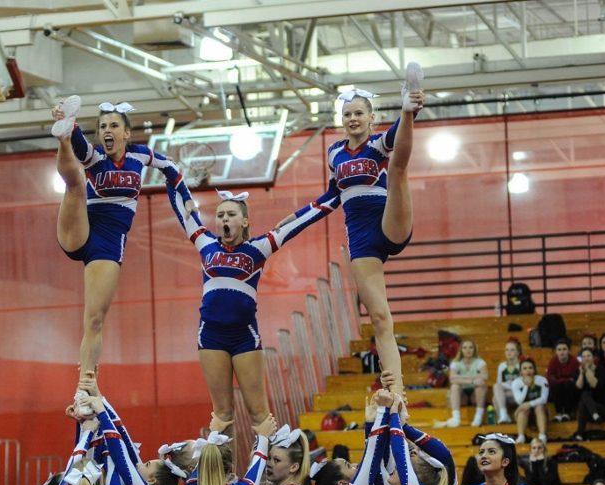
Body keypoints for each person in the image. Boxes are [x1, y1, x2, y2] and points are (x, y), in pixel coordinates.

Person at [274, 64, 425, 402]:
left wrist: (407, 113)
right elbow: (330, 198)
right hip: (361, 239)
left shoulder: (378, 143)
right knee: (380, 316)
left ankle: (408, 104)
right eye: (348, 114)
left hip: (390, 222)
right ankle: (397, 393)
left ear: (372, 118)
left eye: (359, 113)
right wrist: (293, 220)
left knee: (399, 169)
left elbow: (397, 143)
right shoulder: (334, 153)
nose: (353, 118)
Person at [165, 186, 338, 430]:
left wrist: (339, 191)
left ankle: (268, 467)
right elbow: (180, 204)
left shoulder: (259, 247)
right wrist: (168, 170)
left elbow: (305, 219)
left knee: (259, 413)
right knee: (222, 415)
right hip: (211, 336)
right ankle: (225, 469)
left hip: (244, 337)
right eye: (220, 214)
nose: (224, 218)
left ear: (245, 221)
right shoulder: (205, 243)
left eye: (231, 214)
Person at [51, 98, 194, 394]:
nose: (107, 130)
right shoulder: (96, 157)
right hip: (80, 228)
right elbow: (83, 150)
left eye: (114, 126)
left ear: (126, 133)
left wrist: (186, 198)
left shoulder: (141, 156)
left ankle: (86, 381)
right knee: (76, 180)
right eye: (102, 126)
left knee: (94, 318)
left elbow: (171, 169)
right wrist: (73, 133)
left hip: (107, 244)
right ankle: (64, 131)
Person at [442, 339, 489, 428]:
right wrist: (472, 380)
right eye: (465, 348)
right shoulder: (455, 363)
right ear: (461, 350)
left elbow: (484, 377)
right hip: (462, 395)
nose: (468, 350)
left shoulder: (480, 362)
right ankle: (456, 418)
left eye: (471, 347)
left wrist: (460, 378)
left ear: (474, 349)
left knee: (480, 386)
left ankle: (478, 417)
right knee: (455, 386)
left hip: (475, 395)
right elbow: (452, 379)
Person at [572, 348, 605, 441]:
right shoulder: (578, 371)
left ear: (593, 358)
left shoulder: (600, 370)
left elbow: (594, 385)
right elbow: (578, 387)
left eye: (588, 356)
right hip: (589, 412)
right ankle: (593, 415)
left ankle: (579, 434)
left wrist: (588, 369)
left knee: (585, 396)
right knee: (583, 399)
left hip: (602, 409)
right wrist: (582, 373)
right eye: (583, 356)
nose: (586, 358)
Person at [510, 359, 549, 444]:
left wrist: (529, 404)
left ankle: (542, 436)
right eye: (524, 368)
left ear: (534, 370)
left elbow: (544, 399)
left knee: (539, 407)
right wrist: (526, 386)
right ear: (520, 372)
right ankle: (521, 436)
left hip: (540, 412)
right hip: (525, 413)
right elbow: (519, 401)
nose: (528, 370)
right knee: (523, 410)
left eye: (530, 368)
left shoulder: (542, 380)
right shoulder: (516, 383)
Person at [546, 339, 580, 422]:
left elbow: (575, 379)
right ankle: (559, 413)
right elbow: (550, 378)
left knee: (568, 385)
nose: (562, 352)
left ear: (568, 350)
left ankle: (568, 412)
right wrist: (564, 380)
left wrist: (562, 380)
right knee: (557, 386)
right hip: (558, 388)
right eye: (559, 349)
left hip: (571, 389)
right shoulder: (553, 361)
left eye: (564, 349)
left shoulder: (574, 361)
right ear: (556, 352)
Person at [492, 339, 523, 425]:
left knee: (497, 394)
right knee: (495, 396)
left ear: (518, 352)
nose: (509, 352)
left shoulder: (521, 365)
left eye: (512, 350)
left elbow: (522, 386)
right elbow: (499, 383)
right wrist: (509, 385)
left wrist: (510, 385)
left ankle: (504, 415)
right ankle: (504, 418)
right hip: (508, 394)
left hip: (520, 395)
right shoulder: (502, 366)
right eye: (507, 350)